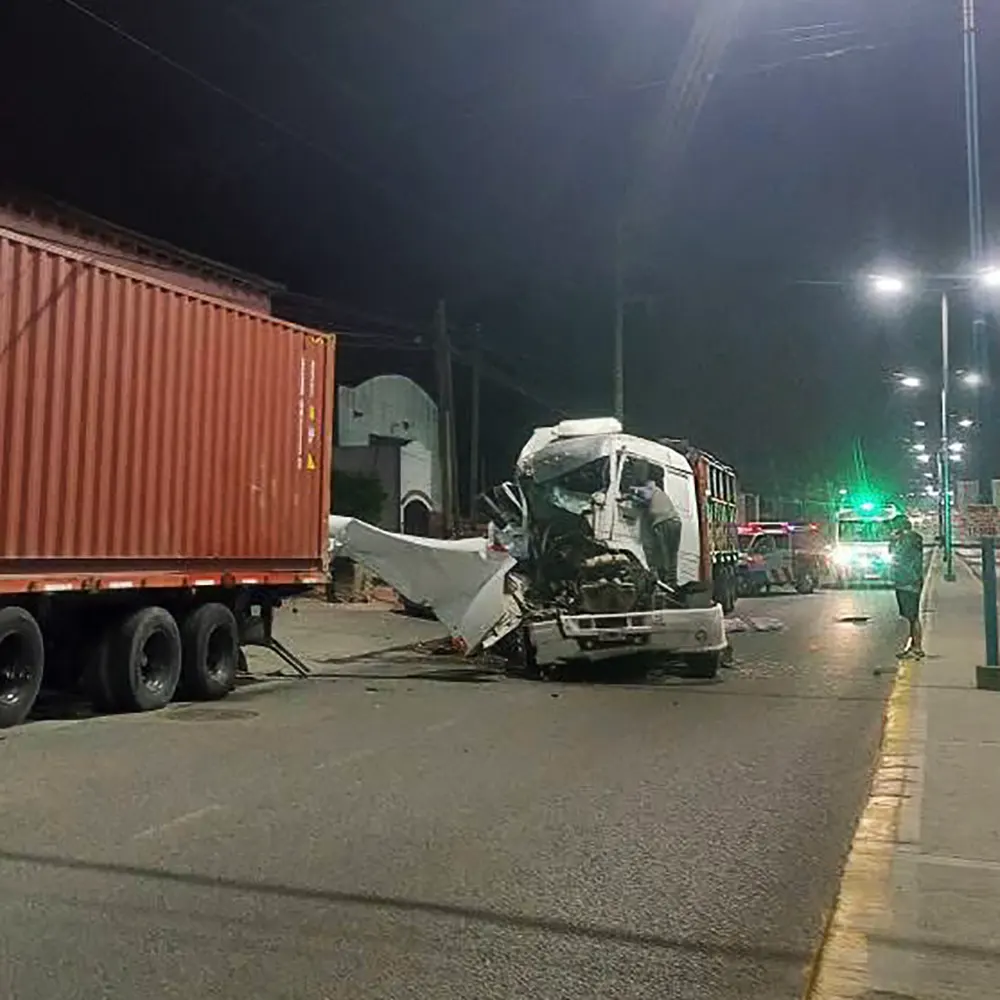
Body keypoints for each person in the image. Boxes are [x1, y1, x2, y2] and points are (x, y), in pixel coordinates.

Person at [628, 469, 682, 589]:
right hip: (675, 521)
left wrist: (632, 489)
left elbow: (647, 493)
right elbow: (645, 502)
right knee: (672, 554)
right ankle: (672, 582)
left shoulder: (653, 489)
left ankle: (666, 582)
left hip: (663, 522)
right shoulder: (658, 495)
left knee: (662, 553)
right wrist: (632, 498)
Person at [889, 514, 924, 658]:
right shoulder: (905, 539)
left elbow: (900, 555)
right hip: (904, 581)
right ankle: (914, 646)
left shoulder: (909, 539)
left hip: (909, 582)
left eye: (894, 525)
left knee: (912, 616)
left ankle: (916, 647)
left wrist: (895, 540)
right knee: (909, 616)